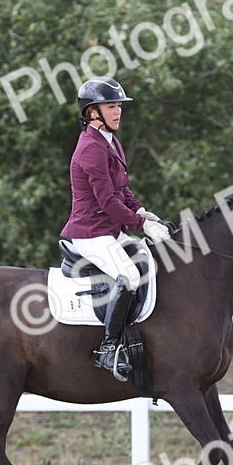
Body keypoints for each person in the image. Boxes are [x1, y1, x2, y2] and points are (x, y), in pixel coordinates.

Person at [61, 76, 171, 380]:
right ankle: (108, 348)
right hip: (90, 233)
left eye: (119, 106)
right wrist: (141, 225)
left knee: (149, 259)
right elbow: (108, 202)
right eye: (111, 106)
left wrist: (140, 210)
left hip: (110, 231)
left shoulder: (110, 141)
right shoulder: (90, 149)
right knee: (130, 276)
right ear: (93, 112)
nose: (118, 111)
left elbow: (122, 189)